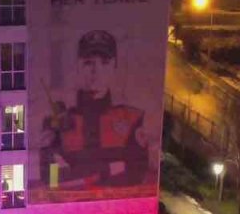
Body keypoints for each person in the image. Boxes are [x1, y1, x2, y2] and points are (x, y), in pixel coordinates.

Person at [36, 30, 153, 191]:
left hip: (116, 211)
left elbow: (136, 175)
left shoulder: (132, 118)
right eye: (88, 62)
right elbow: (52, 180)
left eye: (104, 62)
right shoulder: (55, 122)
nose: (96, 71)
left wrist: (76, 173)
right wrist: (112, 168)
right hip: (72, 211)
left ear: (114, 66)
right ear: (78, 66)